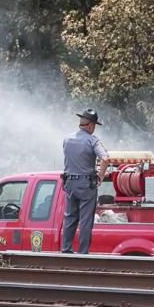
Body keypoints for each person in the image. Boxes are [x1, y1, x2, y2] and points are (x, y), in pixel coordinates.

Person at [61, 108, 110, 254]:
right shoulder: (92, 140)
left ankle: (66, 250)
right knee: (85, 221)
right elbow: (106, 158)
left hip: (69, 183)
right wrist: (101, 176)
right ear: (90, 125)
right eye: (94, 126)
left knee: (69, 218)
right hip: (86, 185)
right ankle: (82, 254)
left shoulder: (67, 139)